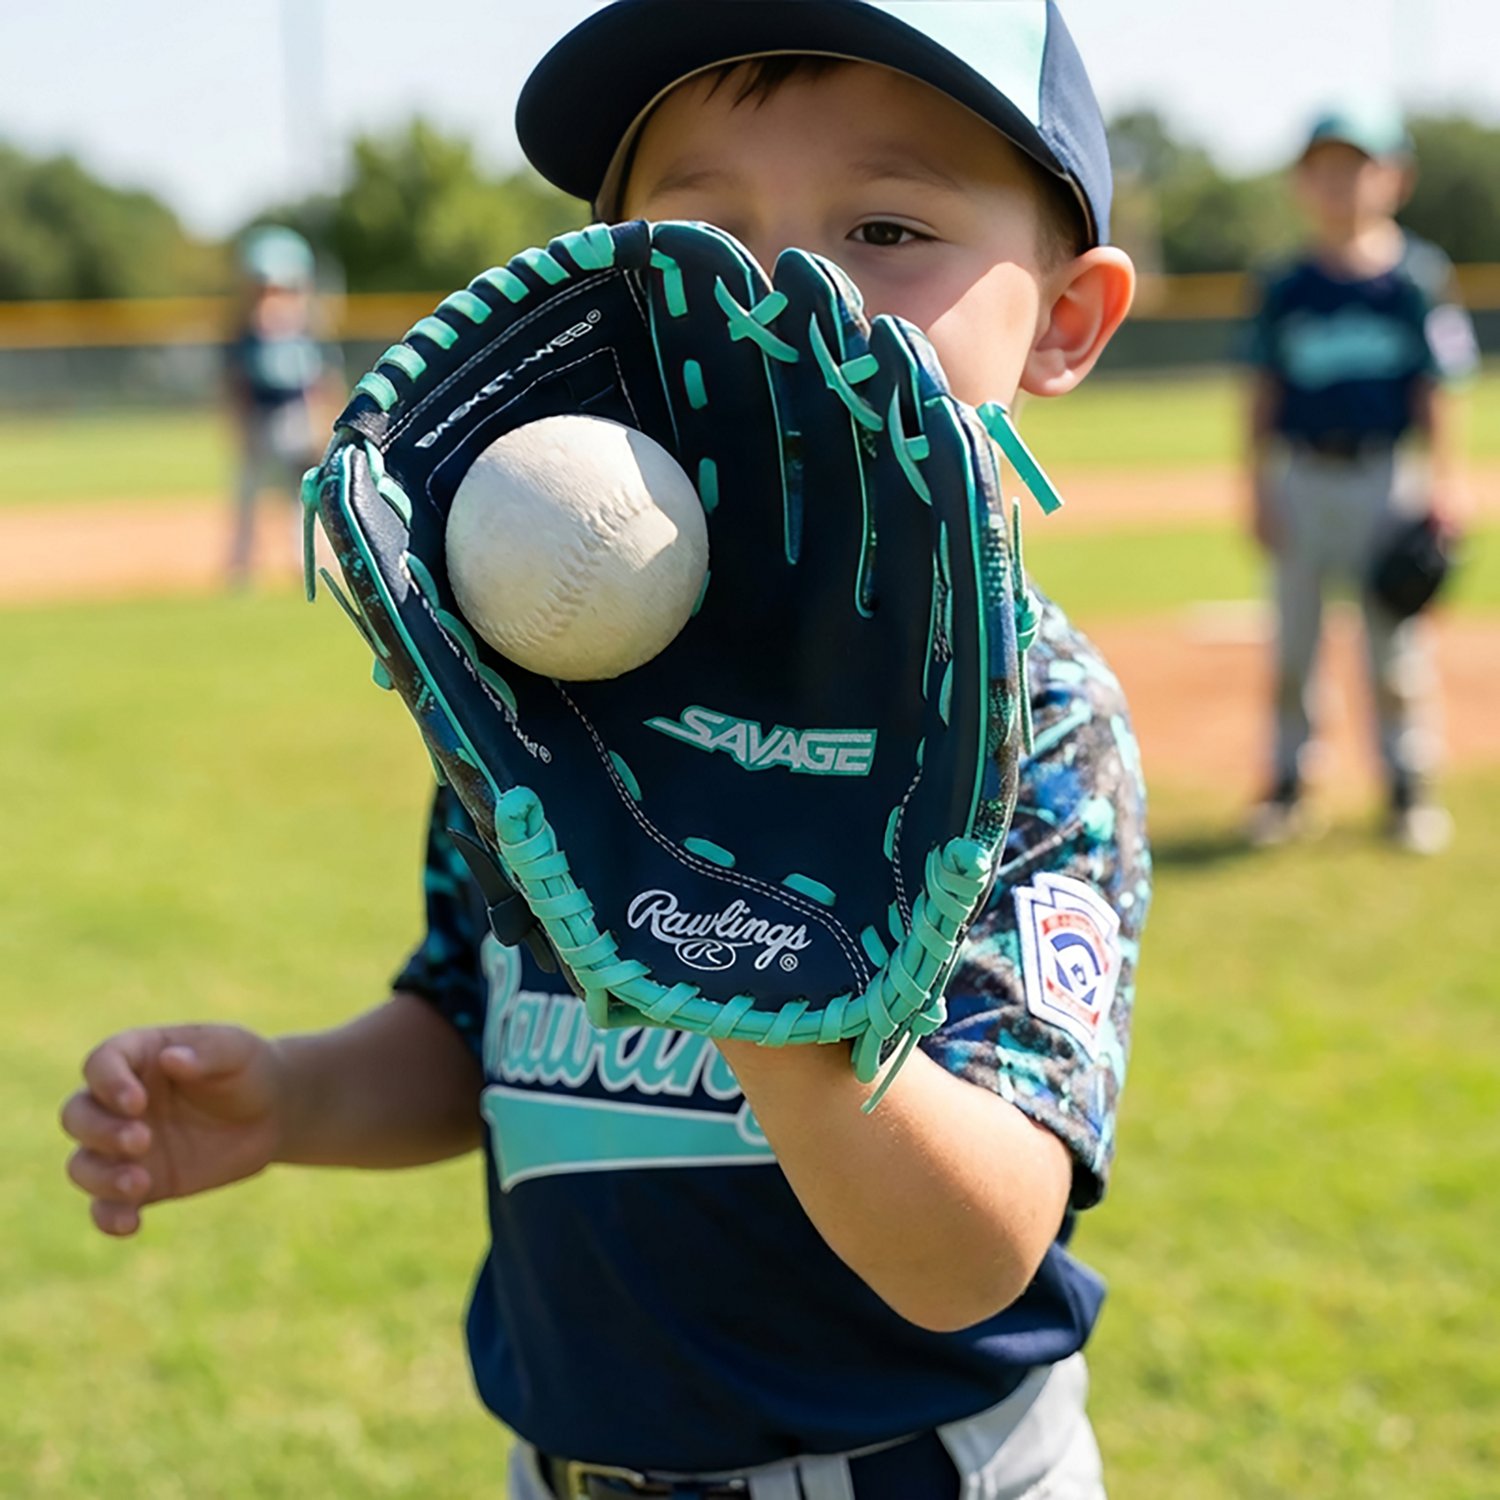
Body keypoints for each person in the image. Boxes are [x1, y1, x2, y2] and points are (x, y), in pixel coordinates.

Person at [60, 5, 1148, 1495]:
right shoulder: (550, 671)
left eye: (887, 229)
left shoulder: (1030, 709)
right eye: (704, 237)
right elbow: (482, 1021)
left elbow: (972, 1258)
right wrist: (295, 1097)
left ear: (1068, 321)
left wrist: (761, 978)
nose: (782, 304)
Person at [1245, 106, 1480, 854]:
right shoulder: (1287, 285)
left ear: (1395, 179)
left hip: (1387, 476)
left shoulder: (1416, 277)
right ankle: (1288, 785)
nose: (1342, 183)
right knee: (1295, 643)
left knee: (1395, 648)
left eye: (1359, 167)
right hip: (1304, 475)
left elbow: (1437, 387)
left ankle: (1409, 787)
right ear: (1303, 182)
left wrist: (1447, 482)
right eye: (1327, 168)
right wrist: (1256, 486)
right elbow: (1262, 392)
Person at [223, 225, 333, 588]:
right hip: (261, 417)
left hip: (294, 417)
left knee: (298, 496)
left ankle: (304, 563)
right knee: (248, 493)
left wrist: (321, 423)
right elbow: (236, 384)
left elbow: (319, 383)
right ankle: (241, 565)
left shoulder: (305, 328)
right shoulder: (246, 333)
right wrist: (239, 425)